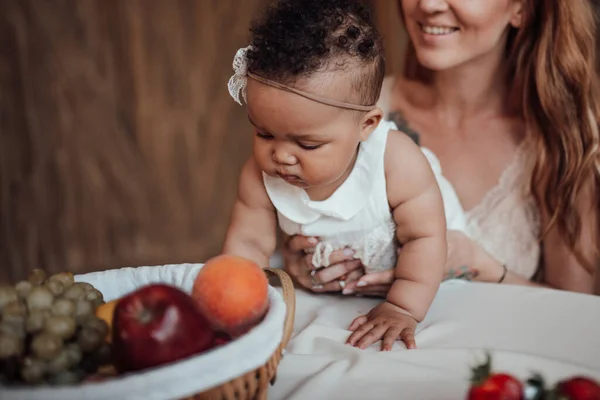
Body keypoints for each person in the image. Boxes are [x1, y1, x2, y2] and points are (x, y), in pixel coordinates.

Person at [282, 0, 600, 296]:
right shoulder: (356, 112)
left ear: (522, 8)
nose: (428, 5)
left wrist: (480, 268)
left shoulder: (560, 140)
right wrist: (300, 270)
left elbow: (575, 314)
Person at [220, 0, 476, 350]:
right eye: (264, 134)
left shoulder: (396, 162)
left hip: (425, 283)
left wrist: (402, 307)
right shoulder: (258, 174)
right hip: (332, 293)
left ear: (366, 125)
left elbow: (425, 239)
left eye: (308, 145)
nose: (280, 155)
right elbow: (246, 246)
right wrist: (233, 303)